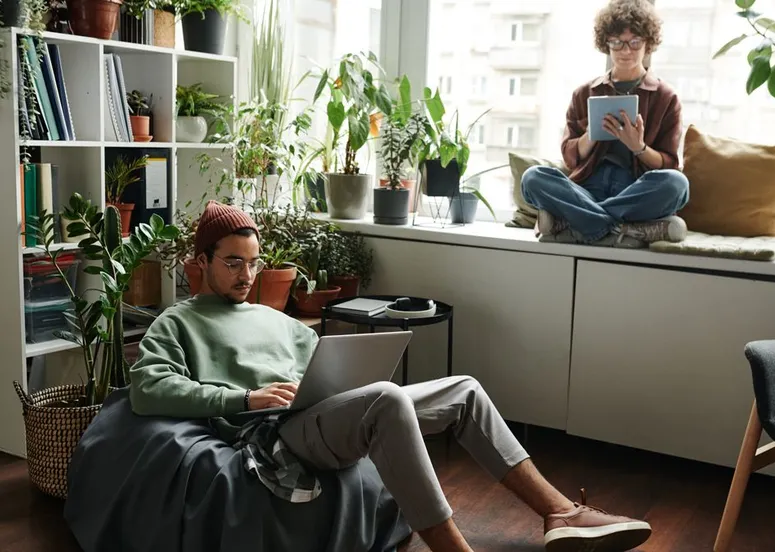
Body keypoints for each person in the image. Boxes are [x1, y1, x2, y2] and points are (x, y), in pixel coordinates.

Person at [129, 200, 653, 552]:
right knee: (385, 400)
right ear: (200, 262)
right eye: (232, 264)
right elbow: (148, 389)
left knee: (464, 390)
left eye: (253, 263)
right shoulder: (179, 321)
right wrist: (245, 399)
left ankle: (559, 512)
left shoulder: (274, 316)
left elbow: (321, 361)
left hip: (322, 411)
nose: (247, 276)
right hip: (273, 433)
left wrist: (344, 372)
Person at [522, 0, 690, 248]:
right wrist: (590, 136)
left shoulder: (666, 97)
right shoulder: (584, 93)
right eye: (617, 42)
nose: (626, 51)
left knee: (677, 185)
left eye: (635, 42)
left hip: (634, 189)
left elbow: (670, 164)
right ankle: (624, 230)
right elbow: (570, 156)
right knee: (532, 177)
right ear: (606, 43)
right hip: (586, 188)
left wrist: (639, 147)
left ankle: (575, 225)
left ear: (648, 44)